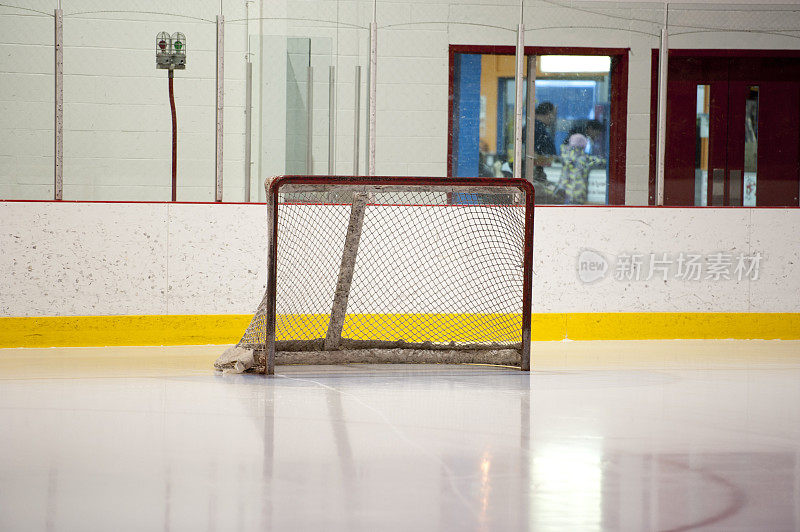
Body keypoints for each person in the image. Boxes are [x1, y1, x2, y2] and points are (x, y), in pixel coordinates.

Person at [554, 133, 606, 204]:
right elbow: (602, 161)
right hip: (579, 192)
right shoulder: (585, 158)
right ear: (584, 146)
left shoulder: (565, 157)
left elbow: (555, 159)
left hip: (564, 192)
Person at [531, 102, 557, 182]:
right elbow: (532, 155)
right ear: (549, 114)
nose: (554, 119)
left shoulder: (538, 127)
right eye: (554, 115)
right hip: (534, 174)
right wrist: (550, 160)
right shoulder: (537, 129)